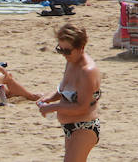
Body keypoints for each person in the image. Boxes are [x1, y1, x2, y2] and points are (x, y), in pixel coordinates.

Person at [37, 22, 102, 162]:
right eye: (60, 50)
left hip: (84, 126)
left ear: (81, 47)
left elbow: (82, 106)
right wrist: (48, 98)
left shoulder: (87, 71)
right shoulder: (71, 61)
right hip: (69, 127)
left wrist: (53, 107)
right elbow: (64, 90)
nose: (63, 55)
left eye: (67, 51)